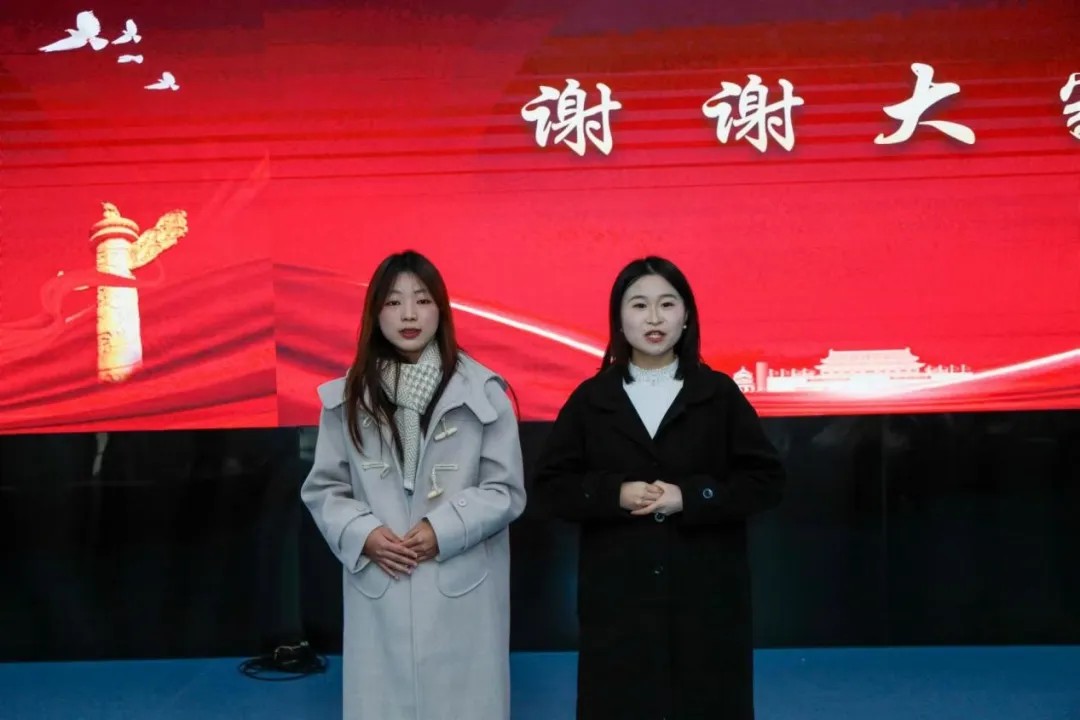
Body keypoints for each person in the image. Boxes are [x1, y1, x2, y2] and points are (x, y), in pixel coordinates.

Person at [533, 256, 785, 720]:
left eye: (667, 304)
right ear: (619, 319)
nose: (654, 318)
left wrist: (691, 497)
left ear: (686, 316)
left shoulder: (718, 394)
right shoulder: (592, 399)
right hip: (618, 602)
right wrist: (615, 493)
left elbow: (766, 481)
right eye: (639, 305)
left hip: (707, 599)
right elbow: (550, 487)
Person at [301, 250, 526, 720]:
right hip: (382, 582)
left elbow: (505, 491)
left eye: (422, 300)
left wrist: (442, 529)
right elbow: (324, 490)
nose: (408, 314)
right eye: (393, 302)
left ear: (441, 310)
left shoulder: (485, 394)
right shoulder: (346, 398)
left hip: (461, 583)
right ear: (375, 312)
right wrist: (364, 533)